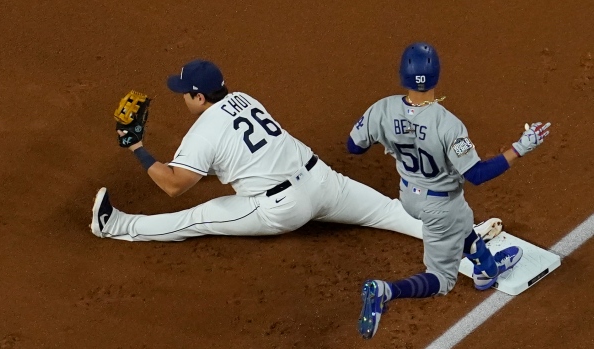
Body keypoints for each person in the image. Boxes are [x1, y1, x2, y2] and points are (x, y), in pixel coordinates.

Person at [89, 59, 438, 243]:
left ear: (199, 97)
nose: (180, 98)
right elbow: (230, 152)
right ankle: (468, 239)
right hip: (323, 181)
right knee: (389, 212)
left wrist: (136, 146)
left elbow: (174, 186)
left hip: (281, 209)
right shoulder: (245, 98)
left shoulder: (201, 135)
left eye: (184, 93)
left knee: (197, 218)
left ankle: (116, 225)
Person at [349, 42, 551, 339]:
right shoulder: (448, 125)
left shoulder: (381, 109)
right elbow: (477, 175)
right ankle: (386, 291)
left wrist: (395, 141)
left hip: (408, 196)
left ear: (402, 75)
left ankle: (487, 269)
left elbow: (354, 146)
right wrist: (520, 148)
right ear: (437, 76)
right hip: (439, 207)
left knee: (462, 221)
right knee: (441, 279)